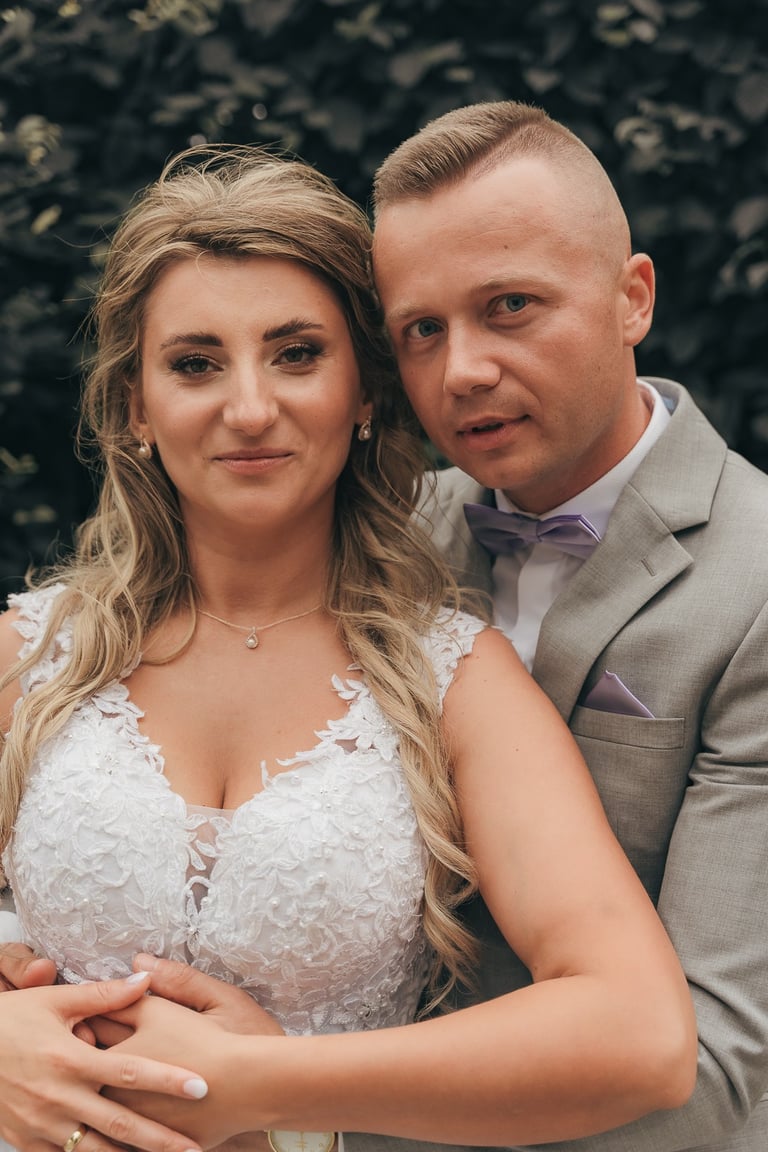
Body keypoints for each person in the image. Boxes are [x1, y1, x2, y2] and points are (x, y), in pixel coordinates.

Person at [0, 143, 698, 1152]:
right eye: (195, 364)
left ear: (365, 395)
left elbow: (640, 1035)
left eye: (297, 354)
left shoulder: (456, 679)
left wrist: (261, 1085)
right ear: (135, 405)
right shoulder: (32, 655)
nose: (250, 408)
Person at [352, 100, 768, 1152]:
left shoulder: (758, 580)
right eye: (422, 331)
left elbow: (713, 1068)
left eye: (511, 306)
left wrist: (293, 1118)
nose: (462, 370)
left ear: (633, 298)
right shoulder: (383, 544)